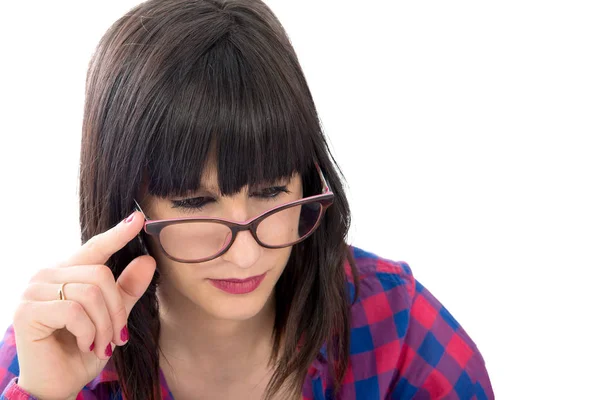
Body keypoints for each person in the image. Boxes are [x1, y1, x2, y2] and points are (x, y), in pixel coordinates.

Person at [0, 0, 494, 399]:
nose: (245, 253)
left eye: (271, 191)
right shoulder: (46, 351)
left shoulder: (395, 329)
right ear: (125, 202)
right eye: (194, 202)